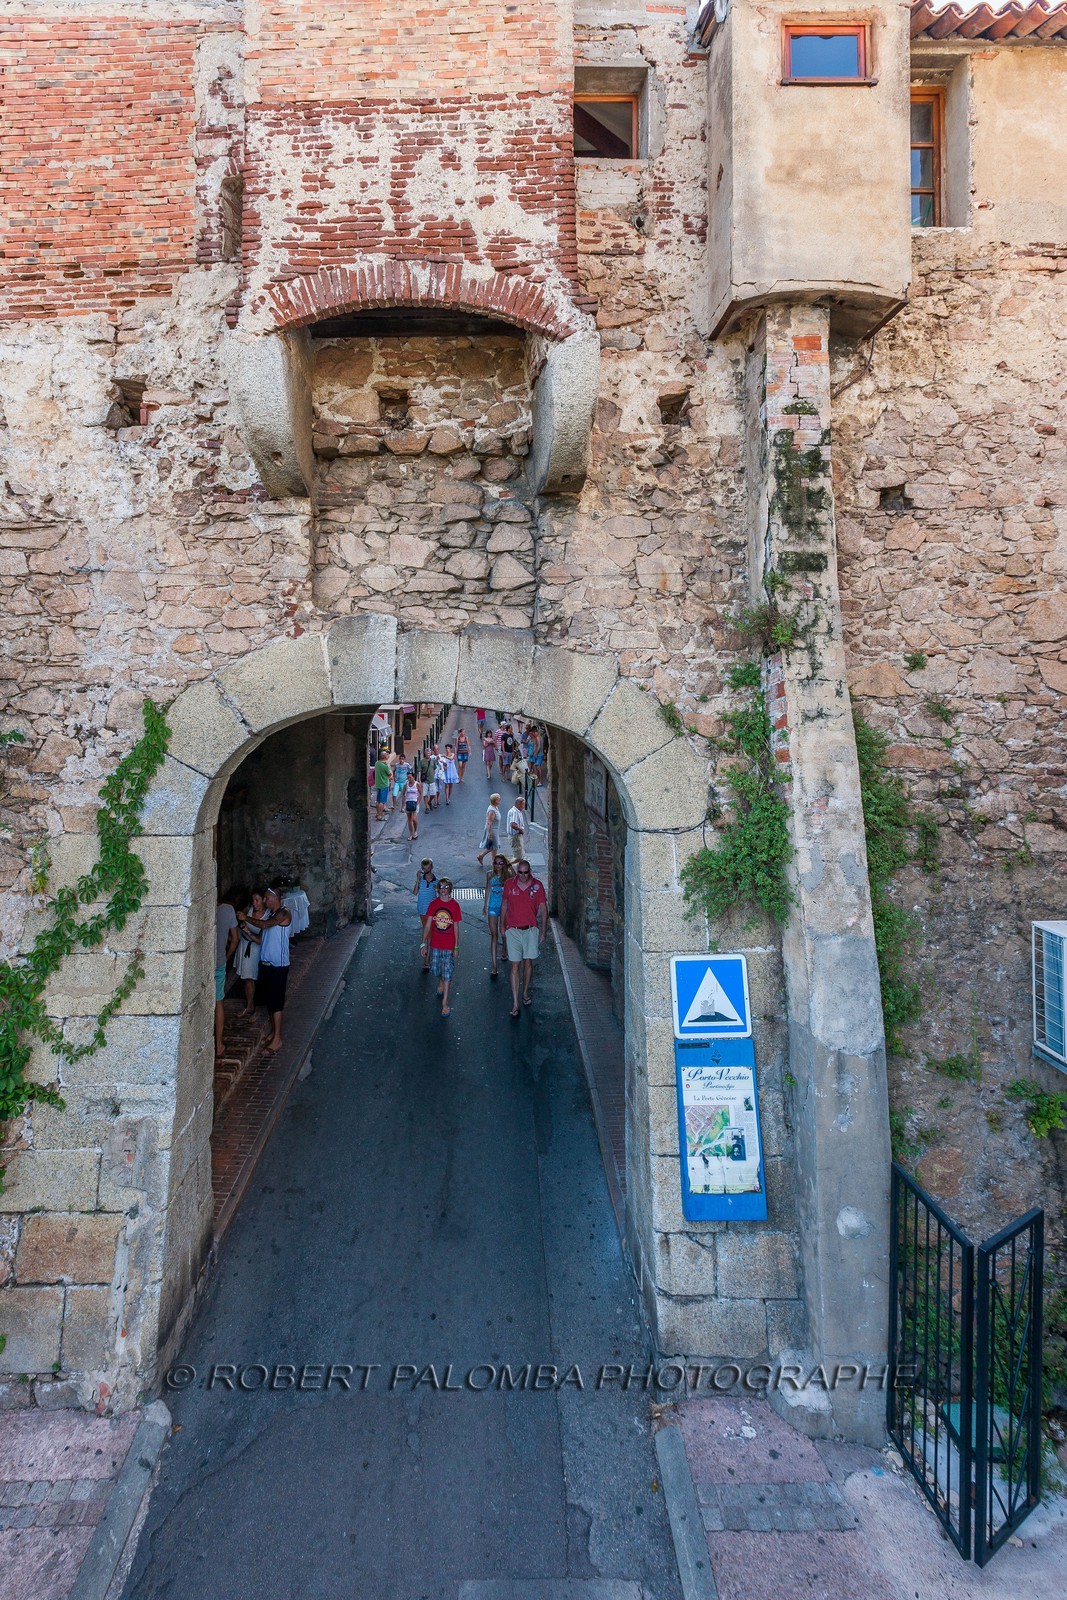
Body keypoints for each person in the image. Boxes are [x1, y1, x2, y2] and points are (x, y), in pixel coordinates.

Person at [246, 886, 292, 1053]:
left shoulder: (283, 914)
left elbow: (266, 925)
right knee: (271, 1004)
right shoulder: (273, 914)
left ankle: (277, 1039)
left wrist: (246, 918)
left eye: (266, 898)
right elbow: (264, 938)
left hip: (278, 966)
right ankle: (274, 1033)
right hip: (266, 965)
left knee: (276, 1004)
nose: (264, 901)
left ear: (275, 897)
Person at [501, 860, 547, 1017]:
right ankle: (515, 1003)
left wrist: (543, 930)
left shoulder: (538, 886)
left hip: (530, 930)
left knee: (528, 963)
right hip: (513, 930)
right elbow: (504, 904)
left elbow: (543, 908)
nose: (522, 875)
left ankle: (525, 992)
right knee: (515, 966)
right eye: (519, 872)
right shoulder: (509, 884)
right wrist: (502, 925)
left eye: (525, 872)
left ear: (530, 872)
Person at [425, 875, 462, 1017]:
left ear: (450, 890)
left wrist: (456, 946)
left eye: (446, 887)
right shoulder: (433, 904)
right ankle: (440, 981)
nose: (443, 890)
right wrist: (423, 943)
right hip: (435, 943)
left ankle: (445, 1003)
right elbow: (428, 925)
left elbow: (456, 927)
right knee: (436, 969)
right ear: (438, 889)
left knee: (447, 972)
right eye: (441, 887)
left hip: (449, 945)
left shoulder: (454, 906)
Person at [214, 890, 239, 1055]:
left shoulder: (205, 909)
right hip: (219, 962)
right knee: (218, 1003)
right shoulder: (228, 910)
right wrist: (227, 956)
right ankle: (219, 1045)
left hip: (204, 964)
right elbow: (235, 940)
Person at [234, 887, 265, 1016]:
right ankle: (249, 1004)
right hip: (244, 945)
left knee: (252, 977)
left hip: (254, 948)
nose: (255, 903)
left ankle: (254, 1006)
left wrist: (247, 930)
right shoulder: (250, 909)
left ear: (264, 900)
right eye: (253, 900)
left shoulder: (268, 915)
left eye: (257, 900)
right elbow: (242, 917)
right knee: (247, 978)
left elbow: (260, 939)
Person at [482, 854, 511, 980]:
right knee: (494, 935)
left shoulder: (507, 876)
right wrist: (485, 905)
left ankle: (504, 949)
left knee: (503, 932)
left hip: (504, 907)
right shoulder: (489, 874)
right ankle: (494, 966)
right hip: (492, 907)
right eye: (496, 863)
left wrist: (509, 865)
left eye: (501, 863)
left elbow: (516, 878)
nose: (498, 865)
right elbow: (487, 889)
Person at [413, 858, 437, 970]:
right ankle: (429, 953)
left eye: (428, 869)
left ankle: (427, 960)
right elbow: (415, 892)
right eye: (424, 869)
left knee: (429, 932)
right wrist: (418, 879)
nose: (426, 871)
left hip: (431, 911)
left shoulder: (436, 881)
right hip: (422, 910)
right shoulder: (421, 880)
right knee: (427, 931)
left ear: (431, 868)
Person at [476, 791, 502, 867]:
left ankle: (483, 857)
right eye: (499, 799)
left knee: (493, 847)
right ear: (495, 801)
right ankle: (493, 863)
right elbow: (489, 823)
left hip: (495, 830)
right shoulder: (492, 811)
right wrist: (490, 834)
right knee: (495, 847)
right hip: (492, 830)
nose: (500, 800)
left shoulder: (495, 807)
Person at [402, 768, 422, 840]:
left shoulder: (417, 784)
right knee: (409, 819)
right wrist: (403, 805)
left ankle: (415, 831)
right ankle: (411, 833)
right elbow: (403, 794)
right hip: (408, 803)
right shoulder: (406, 785)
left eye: (410, 777)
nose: (409, 779)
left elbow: (420, 793)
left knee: (414, 818)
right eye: (408, 778)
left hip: (415, 803)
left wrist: (418, 802)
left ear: (413, 777)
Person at [506, 794, 527, 861]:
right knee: (518, 857)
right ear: (519, 804)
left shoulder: (515, 811)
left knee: (519, 855)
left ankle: (518, 869)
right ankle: (507, 867)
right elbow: (513, 824)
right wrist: (521, 830)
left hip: (515, 836)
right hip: (515, 836)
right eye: (523, 804)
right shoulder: (515, 812)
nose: (524, 806)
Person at [373, 750, 392, 822]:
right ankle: (380, 815)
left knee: (377, 800)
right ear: (385, 757)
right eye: (387, 755)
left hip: (378, 784)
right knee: (382, 801)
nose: (388, 756)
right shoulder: (385, 766)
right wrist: (388, 765)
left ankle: (377, 813)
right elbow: (390, 775)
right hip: (384, 784)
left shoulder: (377, 763)